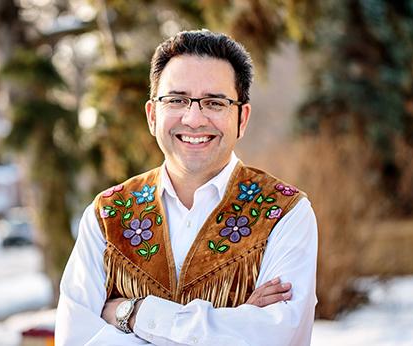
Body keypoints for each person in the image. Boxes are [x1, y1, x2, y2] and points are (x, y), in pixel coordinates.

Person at [55, 29, 318, 346]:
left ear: (242, 118)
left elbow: (275, 338)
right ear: (153, 115)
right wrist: (233, 325)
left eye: (214, 102)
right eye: (177, 100)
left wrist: (134, 314)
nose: (194, 119)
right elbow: (76, 340)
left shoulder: (284, 213)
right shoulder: (107, 216)